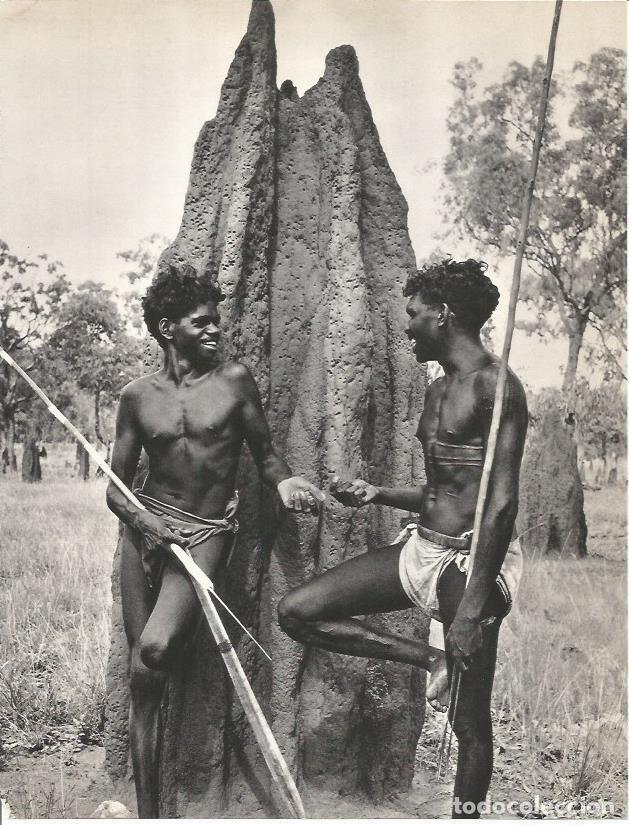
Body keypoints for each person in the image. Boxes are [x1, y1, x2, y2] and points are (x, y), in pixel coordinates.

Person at [278, 258, 527, 818]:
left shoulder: (498, 385)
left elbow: (500, 501)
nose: (406, 325)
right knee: (298, 611)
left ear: (444, 314)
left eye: (413, 314)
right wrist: (377, 494)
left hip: (473, 561)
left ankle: (465, 813)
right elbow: (444, 490)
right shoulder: (438, 390)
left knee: (468, 719)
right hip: (423, 550)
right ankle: (429, 657)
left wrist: (470, 608)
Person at [106, 262, 324, 819]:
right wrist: (148, 526)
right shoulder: (136, 397)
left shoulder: (234, 382)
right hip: (146, 532)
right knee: (142, 677)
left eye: (215, 322)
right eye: (201, 323)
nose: (214, 331)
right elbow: (115, 490)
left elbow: (266, 455)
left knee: (154, 649)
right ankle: (149, 812)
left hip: (204, 535)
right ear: (165, 328)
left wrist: (286, 481)